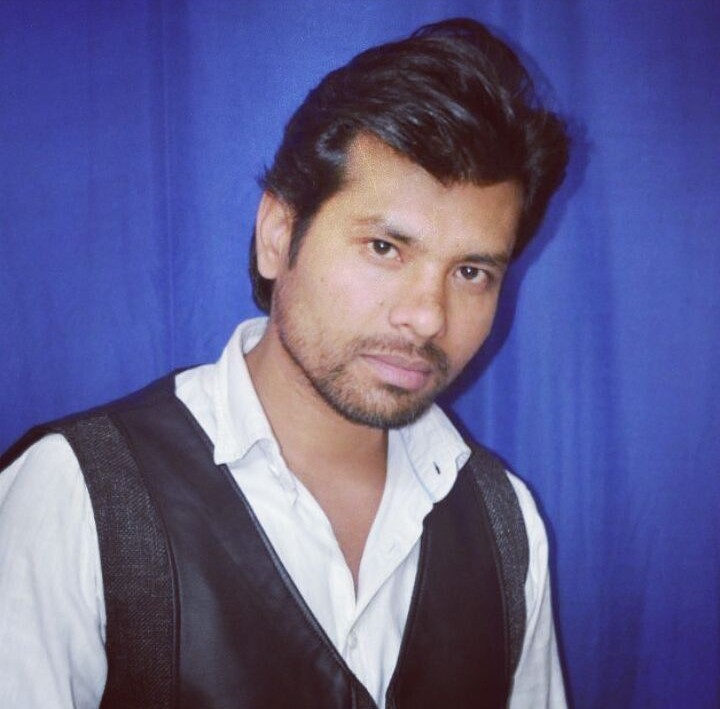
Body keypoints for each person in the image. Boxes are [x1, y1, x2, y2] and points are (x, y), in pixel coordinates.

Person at [0, 17, 570, 709]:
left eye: (472, 271)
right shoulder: (75, 497)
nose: (427, 316)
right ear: (277, 234)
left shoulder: (505, 522)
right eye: (385, 248)